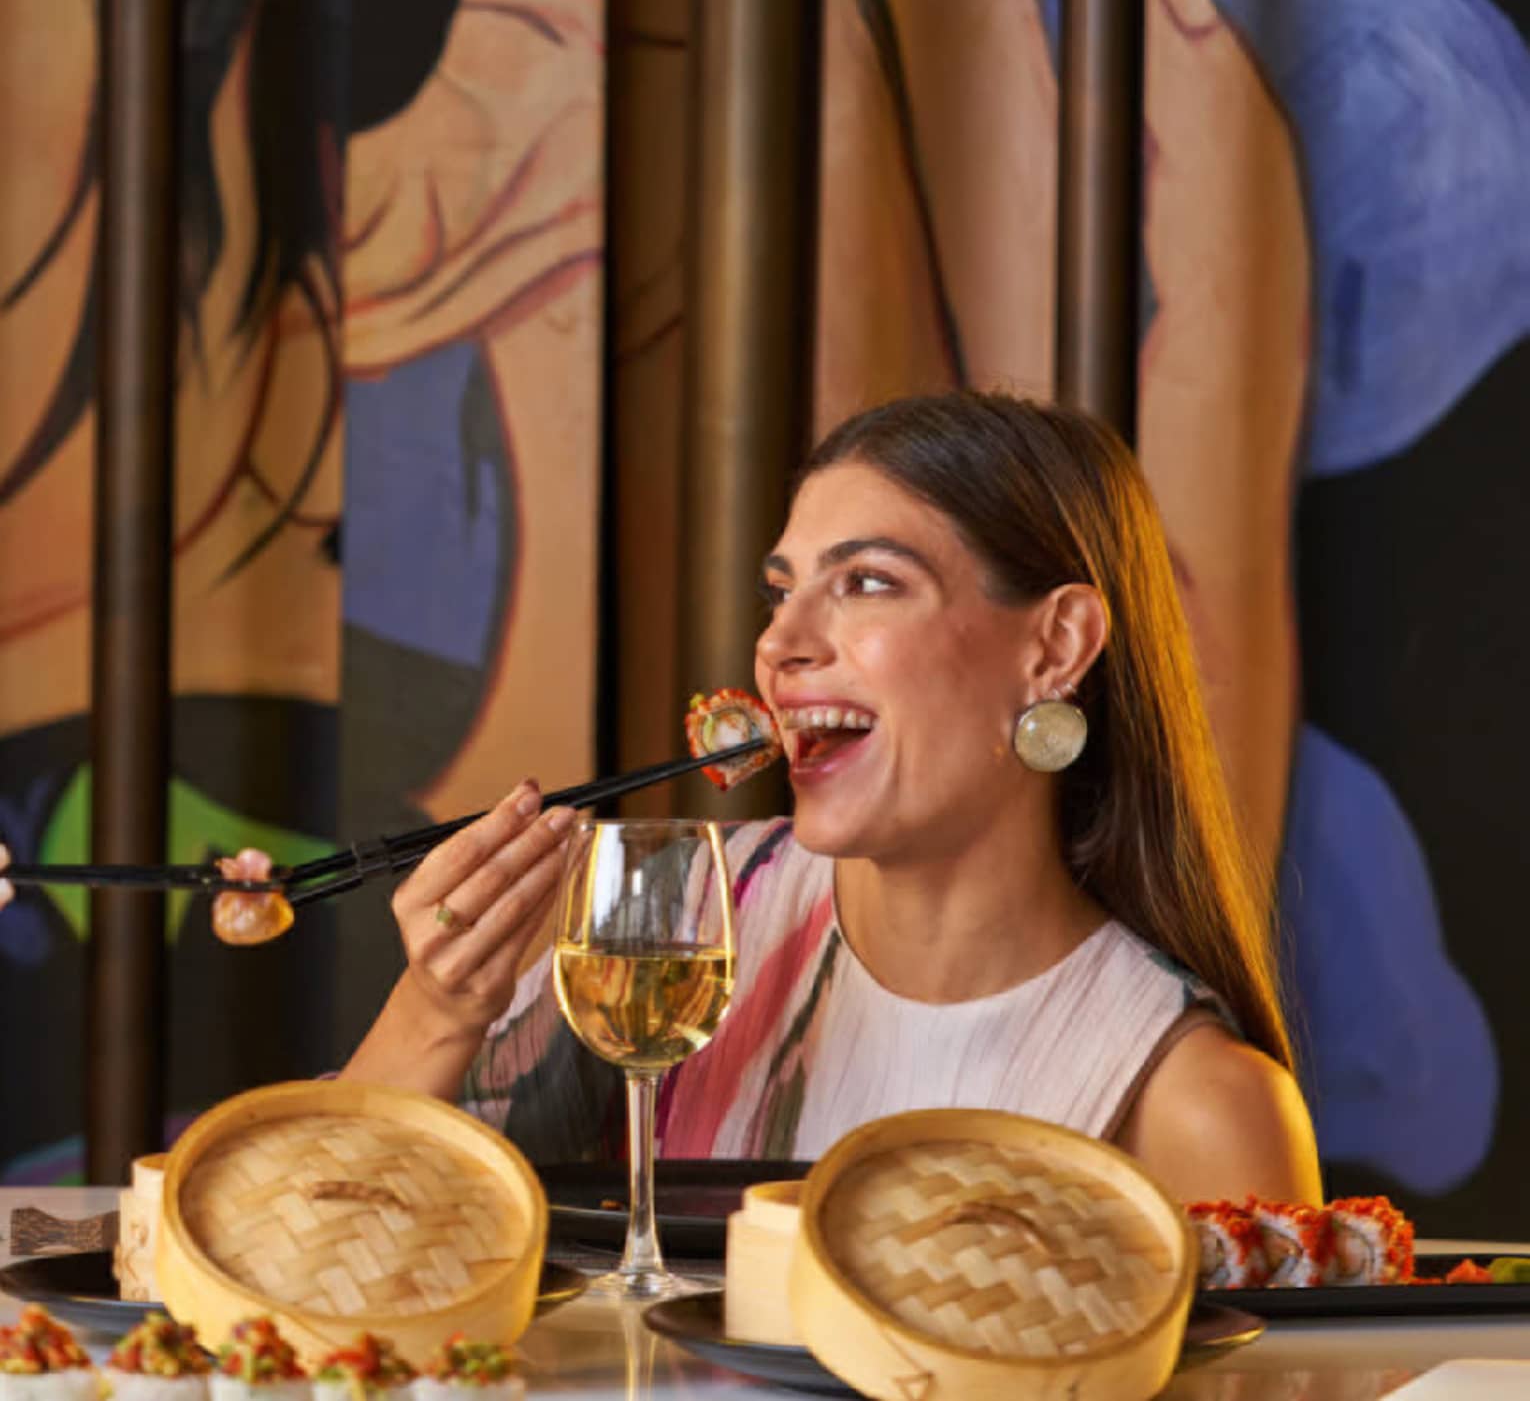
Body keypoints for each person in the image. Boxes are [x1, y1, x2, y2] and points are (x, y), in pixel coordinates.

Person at [343, 391, 1321, 1204]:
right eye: (781, 591)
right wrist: (438, 1009)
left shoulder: (1190, 1104)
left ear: (1055, 646)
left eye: (866, 583)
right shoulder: (678, 930)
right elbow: (313, 1249)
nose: (781, 645)